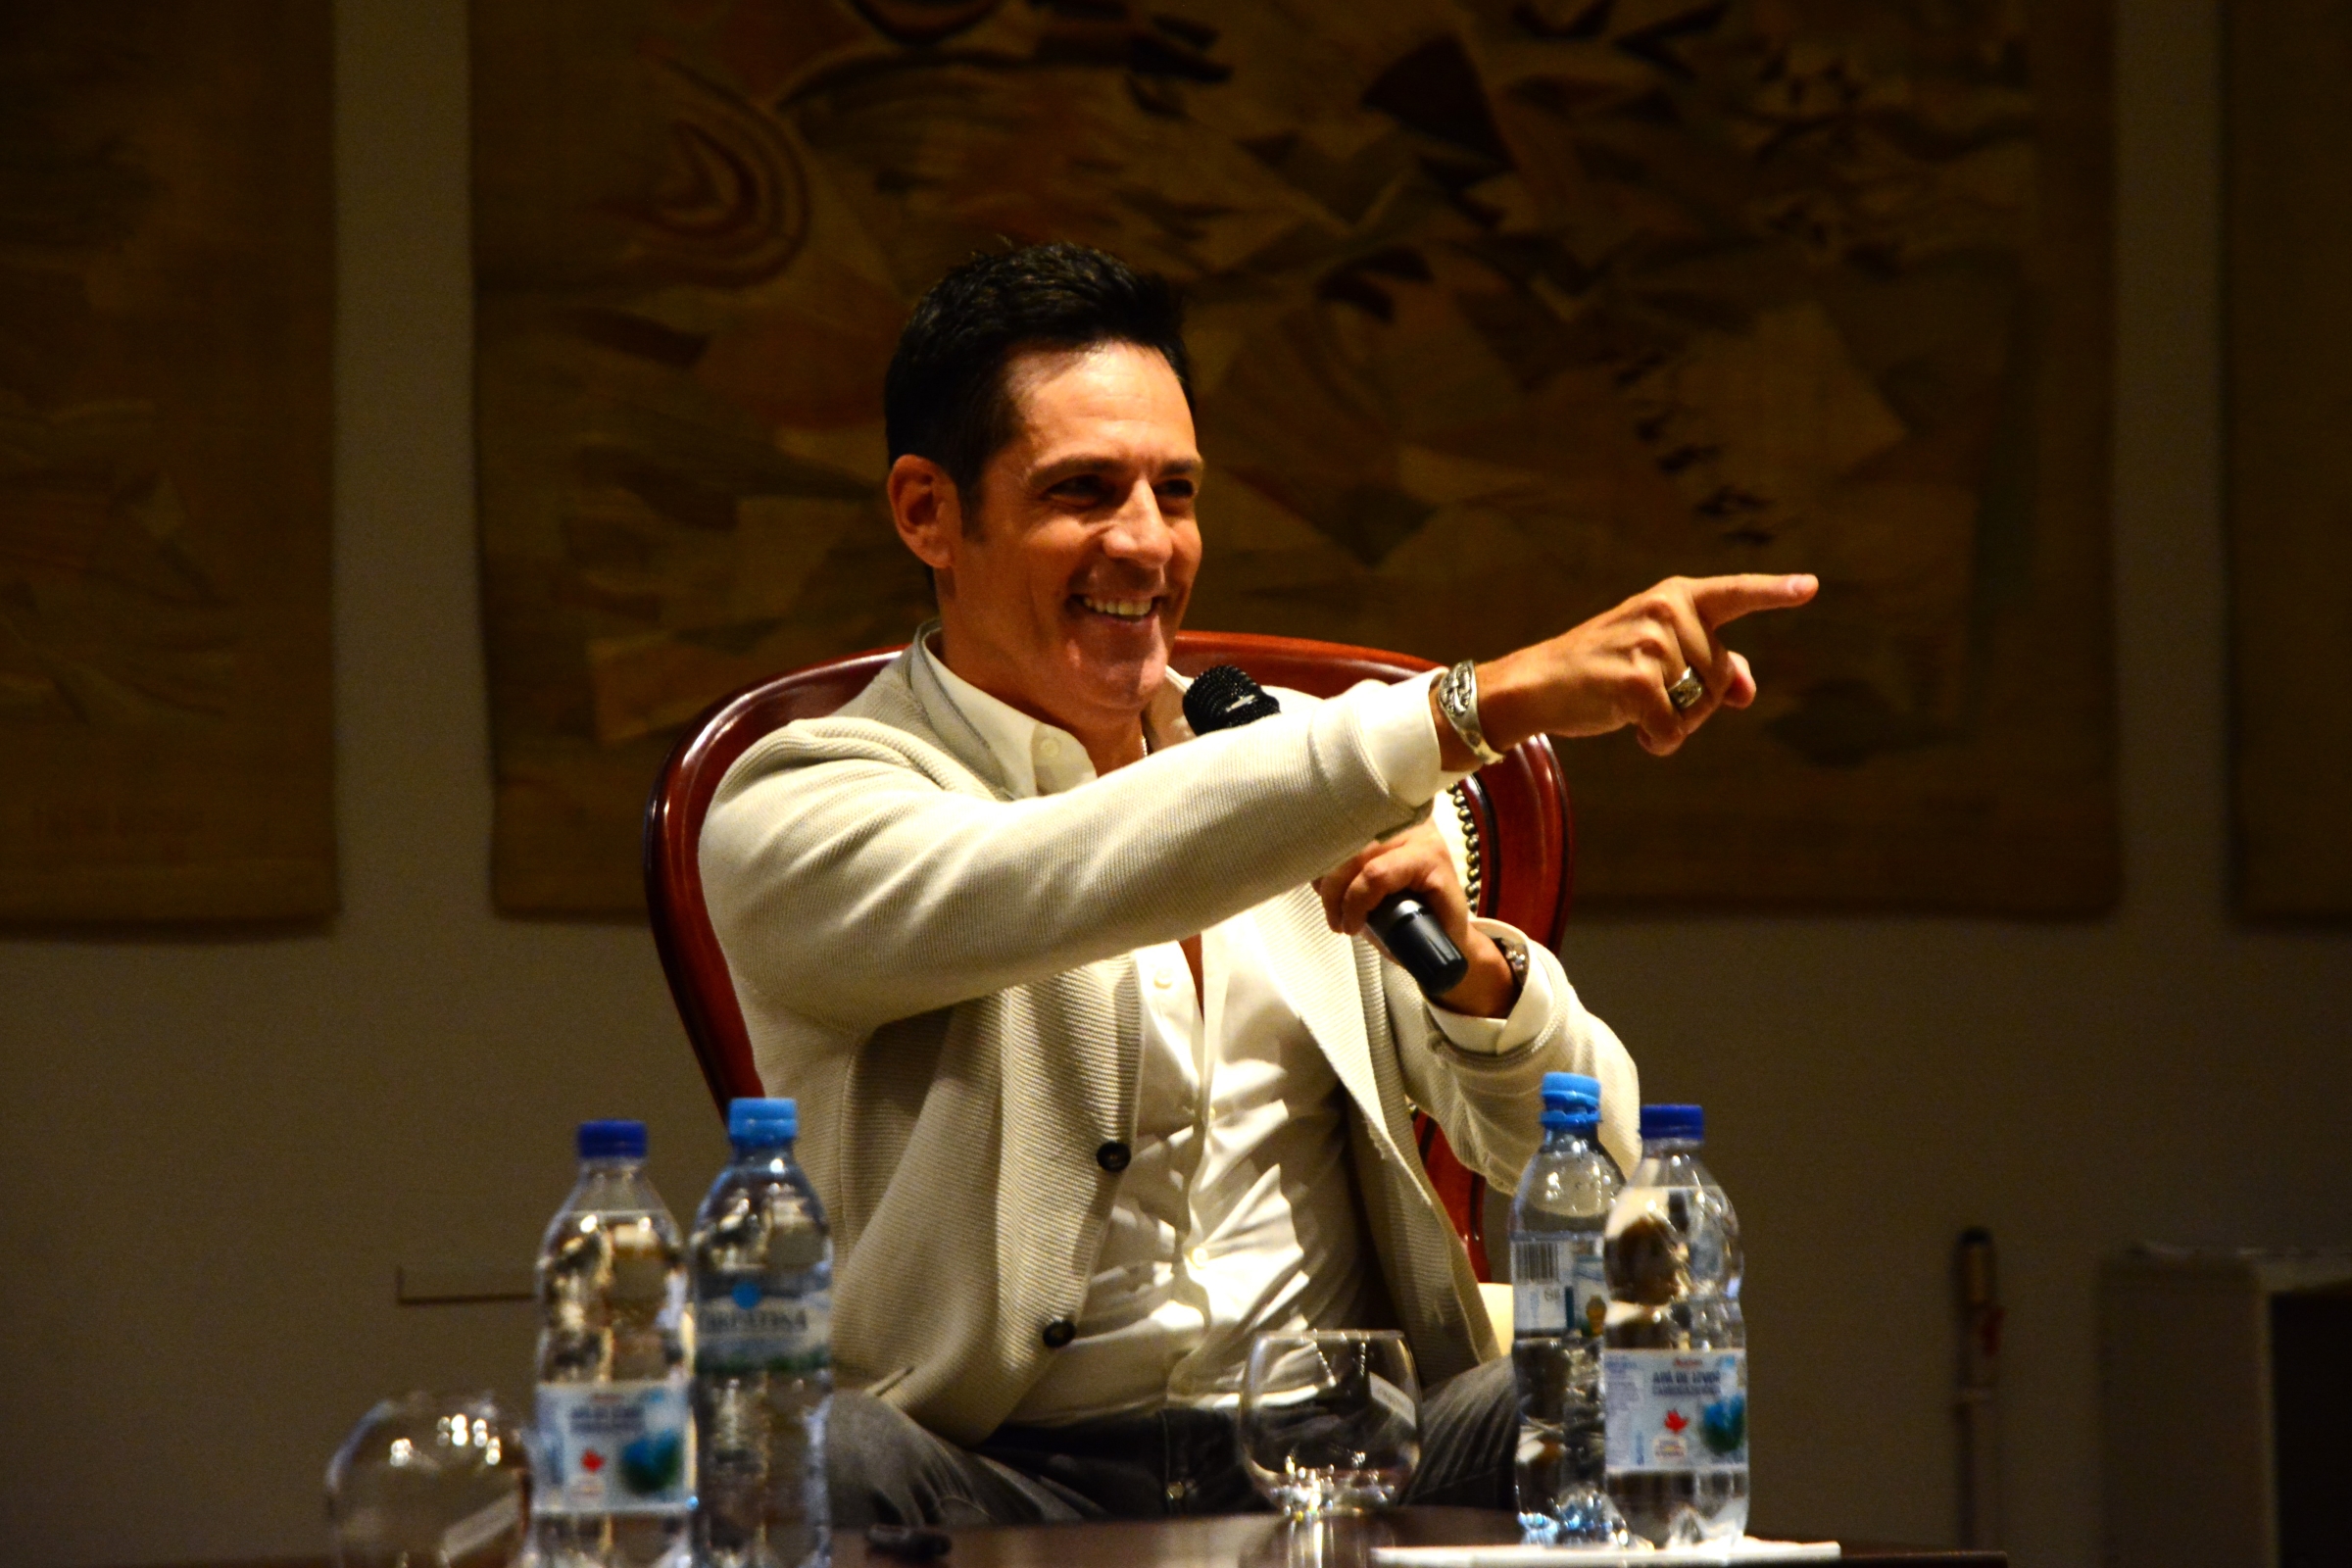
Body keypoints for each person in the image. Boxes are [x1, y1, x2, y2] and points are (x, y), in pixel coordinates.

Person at [699, 243, 1816, 1526]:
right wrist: (1474, 703)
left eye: (1175, 492)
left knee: (1636, 1378)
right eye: (1083, 491)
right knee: (813, 1449)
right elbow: (1060, 873)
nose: (1147, 544)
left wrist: (1477, 981)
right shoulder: (804, 799)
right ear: (927, 512)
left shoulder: (1288, 757)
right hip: (992, 1472)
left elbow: (1608, 1170)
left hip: (1343, 1449)